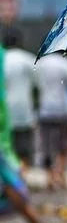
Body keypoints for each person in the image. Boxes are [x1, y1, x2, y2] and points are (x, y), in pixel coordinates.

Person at [0, 42, 47, 223]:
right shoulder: (20, 58)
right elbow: (39, 85)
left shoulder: (4, 58)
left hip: (6, 121)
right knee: (17, 163)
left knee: (10, 178)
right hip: (20, 115)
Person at [36, 51, 67, 189]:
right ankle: (61, 173)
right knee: (63, 145)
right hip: (63, 110)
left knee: (46, 145)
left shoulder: (39, 64)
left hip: (44, 110)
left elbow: (35, 87)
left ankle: (49, 178)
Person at [2, 28, 37, 167]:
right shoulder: (28, 59)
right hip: (24, 110)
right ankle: (22, 173)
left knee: (6, 148)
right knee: (24, 149)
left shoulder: (2, 59)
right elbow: (37, 85)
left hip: (4, 111)